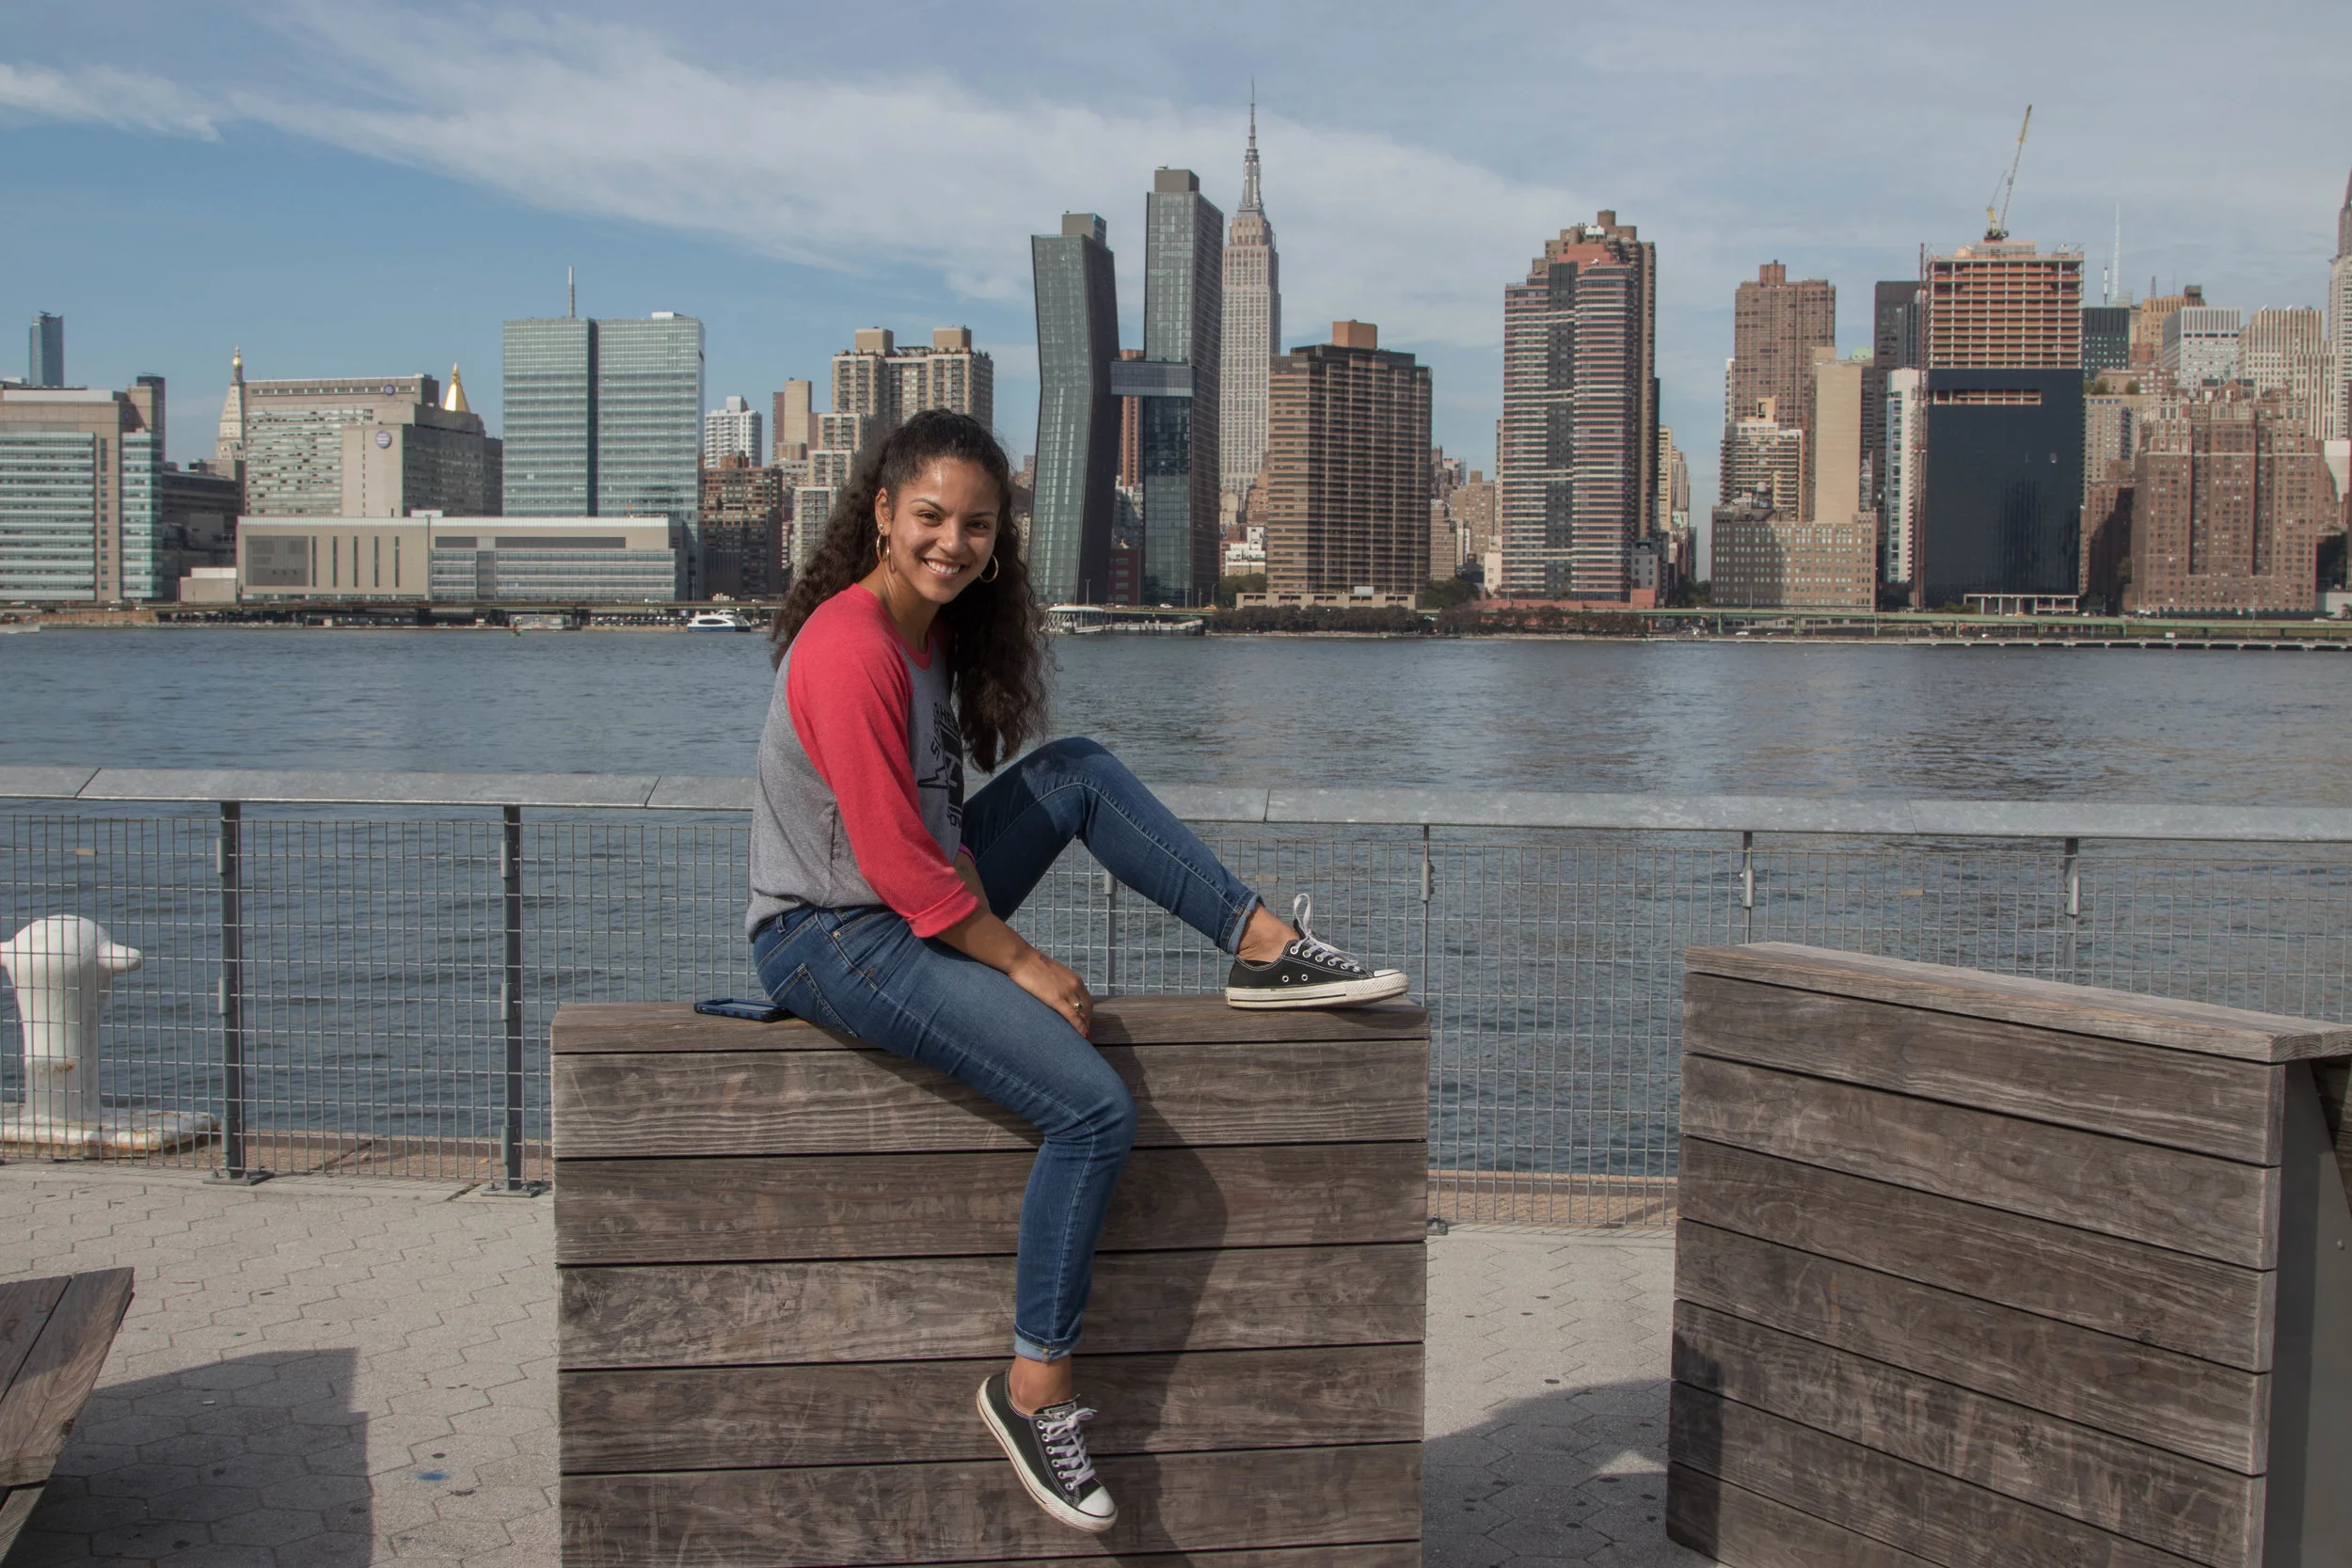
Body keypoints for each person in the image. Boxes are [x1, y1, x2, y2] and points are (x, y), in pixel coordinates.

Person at [746, 408, 1407, 1534]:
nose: (952, 542)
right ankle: (1033, 1388)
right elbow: (897, 865)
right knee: (1092, 1110)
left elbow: (933, 836)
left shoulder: (924, 640)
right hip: (828, 935)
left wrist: (982, 920)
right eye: (930, 517)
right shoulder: (851, 643)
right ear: (881, 514)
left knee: (1076, 774)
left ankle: (1263, 946)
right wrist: (1025, 963)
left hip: (897, 909)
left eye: (976, 525)